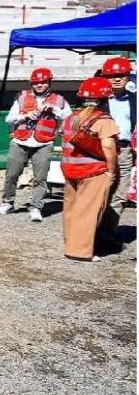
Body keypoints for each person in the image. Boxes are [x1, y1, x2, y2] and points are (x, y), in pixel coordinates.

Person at [0, 67, 70, 222]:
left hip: (44, 142)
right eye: (36, 82)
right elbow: (9, 119)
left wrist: (55, 110)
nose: (40, 85)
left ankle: (36, 207)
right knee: (12, 174)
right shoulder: (21, 97)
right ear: (32, 83)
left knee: (40, 178)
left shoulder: (59, 100)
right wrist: (24, 116)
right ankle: (7, 202)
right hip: (20, 140)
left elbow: (68, 118)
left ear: (49, 82)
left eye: (43, 82)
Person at [61, 76, 120, 262]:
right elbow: (108, 147)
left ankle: (71, 242)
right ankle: (79, 251)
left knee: (71, 209)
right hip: (93, 171)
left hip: (70, 169)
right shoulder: (103, 120)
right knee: (88, 211)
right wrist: (111, 170)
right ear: (104, 98)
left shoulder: (70, 118)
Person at [100, 56, 135, 243]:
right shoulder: (97, 100)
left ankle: (107, 235)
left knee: (120, 194)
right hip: (103, 150)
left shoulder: (135, 99)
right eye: (112, 75)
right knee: (101, 191)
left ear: (128, 77)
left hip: (125, 149)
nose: (117, 79)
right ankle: (92, 233)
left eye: (121, 75)